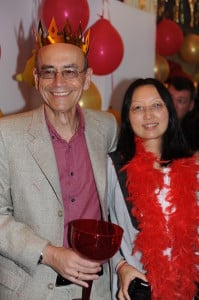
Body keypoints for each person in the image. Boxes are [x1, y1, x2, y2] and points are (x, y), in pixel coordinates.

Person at [0, 19, 118, 300]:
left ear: (87, 78)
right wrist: (49, 253)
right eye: (49, 72)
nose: (59, 83)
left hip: (99, 288)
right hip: (32, 287)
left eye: (70, 72)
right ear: (37, 78)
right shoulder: (6, 134)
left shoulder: (107, 128)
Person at [107, 78, 199, 300]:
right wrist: (120, 266)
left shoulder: (192, 167)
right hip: (139, 290)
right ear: (128, 117)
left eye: (156, 105)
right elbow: (103, 226)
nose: (148, 115)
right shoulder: (114, 167)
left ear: (169, 110)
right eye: (138, 108)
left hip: (187, 289)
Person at [167, 75, 199, 151]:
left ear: (191, 105)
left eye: (180, 101)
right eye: (170, 98)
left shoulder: (194, 136)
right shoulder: (151, 126)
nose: (173, 105)